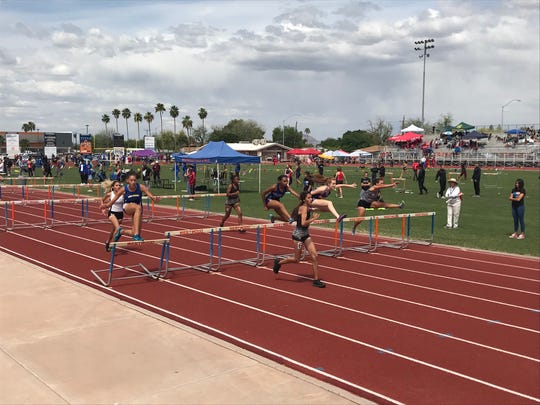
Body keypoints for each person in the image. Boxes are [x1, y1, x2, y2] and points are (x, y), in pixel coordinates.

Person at [272, 191, 326, 288]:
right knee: (297, 259)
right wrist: (313, 219)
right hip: (298, 236)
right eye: (309, 198)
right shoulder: (304, 208)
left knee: (314, 256)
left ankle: (316, 280)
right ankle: (278, 262)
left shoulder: (307, 207)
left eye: (311, 198)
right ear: (304, 199)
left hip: (305, 234)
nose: (311, 199)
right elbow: (304, 223)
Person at [100, 171, 158, 242]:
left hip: (138, 211)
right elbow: (112, 202)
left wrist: (155, 199)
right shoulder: (124, 189)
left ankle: (121, 232)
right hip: (127, 207)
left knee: (134, 231)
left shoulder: (141, 187)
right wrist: (105, 206)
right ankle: (136, 235)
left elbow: (151, 196)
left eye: (134, 180)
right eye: (131, 180)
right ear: (127, 181)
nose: (133, 182)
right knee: (138, 207)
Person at [101, 180, 132, 251]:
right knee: (118, 229)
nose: (118, 187)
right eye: (116, 185)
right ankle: (113, 244)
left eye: (119, 185)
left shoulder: (123, 194)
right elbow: (102, 200)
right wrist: (103, 208)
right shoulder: (110, 194)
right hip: (112, 213)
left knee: (113, 230)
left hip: (120, 214)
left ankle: (108, 242)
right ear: (113, 187)